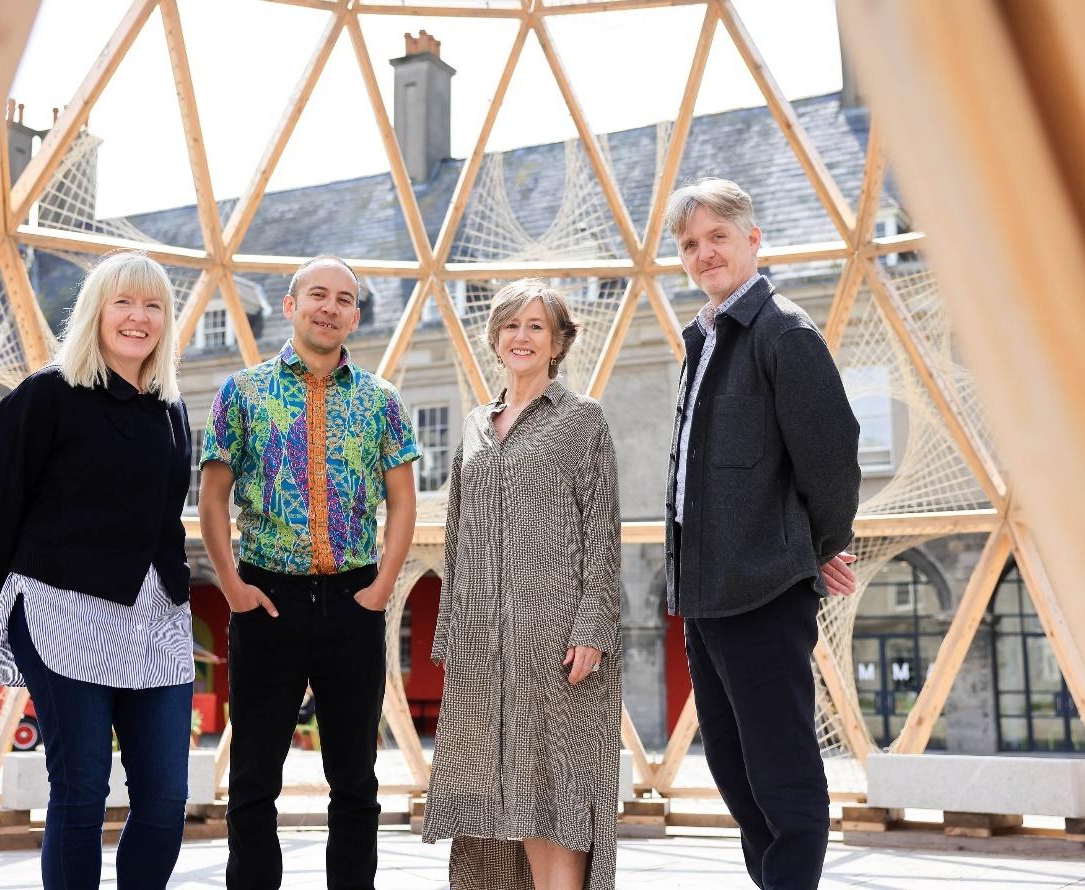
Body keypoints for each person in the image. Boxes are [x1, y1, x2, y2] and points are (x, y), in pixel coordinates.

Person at [0, 249, 194, 890]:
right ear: (96, 311)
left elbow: (164, 519)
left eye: (154, 306)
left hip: (154, 616)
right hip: (60, 608)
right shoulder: (45, 397)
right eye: (124, 302)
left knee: (164, 798)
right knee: (81, 786)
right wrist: (8, 602)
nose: (139, 317)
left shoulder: (170, 409)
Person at [662, 178, 861, 890]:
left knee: (781, 776)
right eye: (689, 244)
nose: (703, 253)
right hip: (705, 597)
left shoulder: (783, 332)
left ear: (753, 239)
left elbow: (832, 455)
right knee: (735, 775)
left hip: (762, 593)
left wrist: (811, 549)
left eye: (718, 236)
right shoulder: (704, 341)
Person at [198, 255, 420, 890]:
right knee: (253, 783)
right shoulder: (241, 393)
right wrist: (233, 588)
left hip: (355, 601)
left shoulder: (382, 400)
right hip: (268, 601)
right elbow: (212, 497)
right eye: (317, 295)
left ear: (355, 314)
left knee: (355, 781)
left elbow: (402, 500)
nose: (331, 307)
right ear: (290, 306)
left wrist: (380, 590)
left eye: (345, 299)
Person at [423, 279, 623, 890]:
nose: (522, 336)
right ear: (494, 337)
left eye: (537, 326)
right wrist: (450, 634)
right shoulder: (474, 428)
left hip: (558, 646)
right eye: (511, 324)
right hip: (483, 651)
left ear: (558, 342)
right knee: (490, 802)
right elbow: (456, 538)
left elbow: (603, 534)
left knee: (556, 797)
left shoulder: (583, 422)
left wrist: (591, 629)